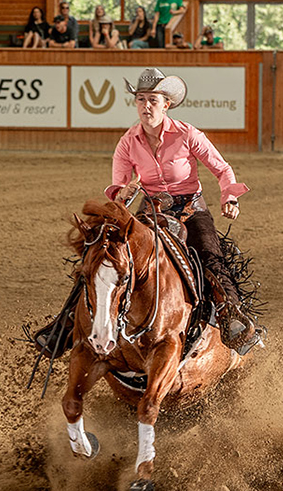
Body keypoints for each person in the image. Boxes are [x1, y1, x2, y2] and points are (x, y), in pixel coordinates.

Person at [109, 68, 260, 354]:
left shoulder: (187, 134)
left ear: (166, 104)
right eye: (141, 99)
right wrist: (123, 193)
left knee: (210, 256)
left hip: (192, 209)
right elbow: (118, 186)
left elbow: (222, 168)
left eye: (153, 100)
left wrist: (230, 196)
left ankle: (234, 320)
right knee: (112, 258)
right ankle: (72, 324)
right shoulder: (128, 142)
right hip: (151, 211)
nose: (146, 106)